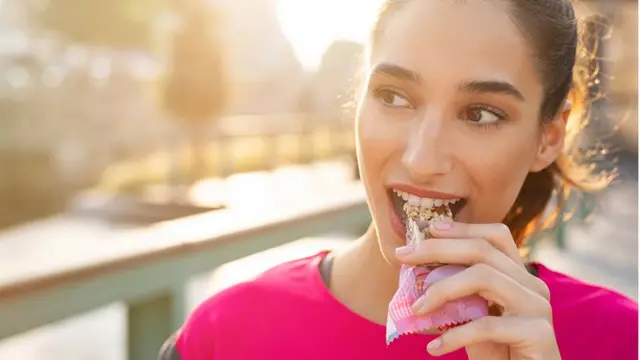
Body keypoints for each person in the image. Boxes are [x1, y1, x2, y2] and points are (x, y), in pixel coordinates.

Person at [159, 0, 638, 359]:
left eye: (482, 113)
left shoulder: (619, 340)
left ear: (548, 138)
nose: (422, 158)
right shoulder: (225, 336)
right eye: (394, 96)